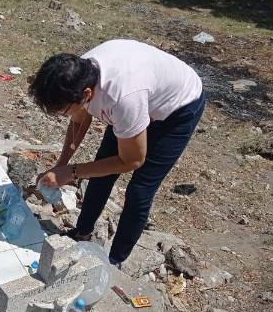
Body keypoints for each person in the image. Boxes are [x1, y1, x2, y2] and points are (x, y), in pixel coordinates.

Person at [29, 39, 205, 267]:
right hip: (140, 97)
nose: (65, 115)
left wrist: (71, 172)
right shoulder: (78, 74)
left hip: (177, 109)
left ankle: (114, 262)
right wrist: (61, 165)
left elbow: (132, 160)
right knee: (101, 169)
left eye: (64, 111)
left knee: (139, 190)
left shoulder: (121, 98)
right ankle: (81, 233)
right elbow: (79, 121)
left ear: (86, 94)